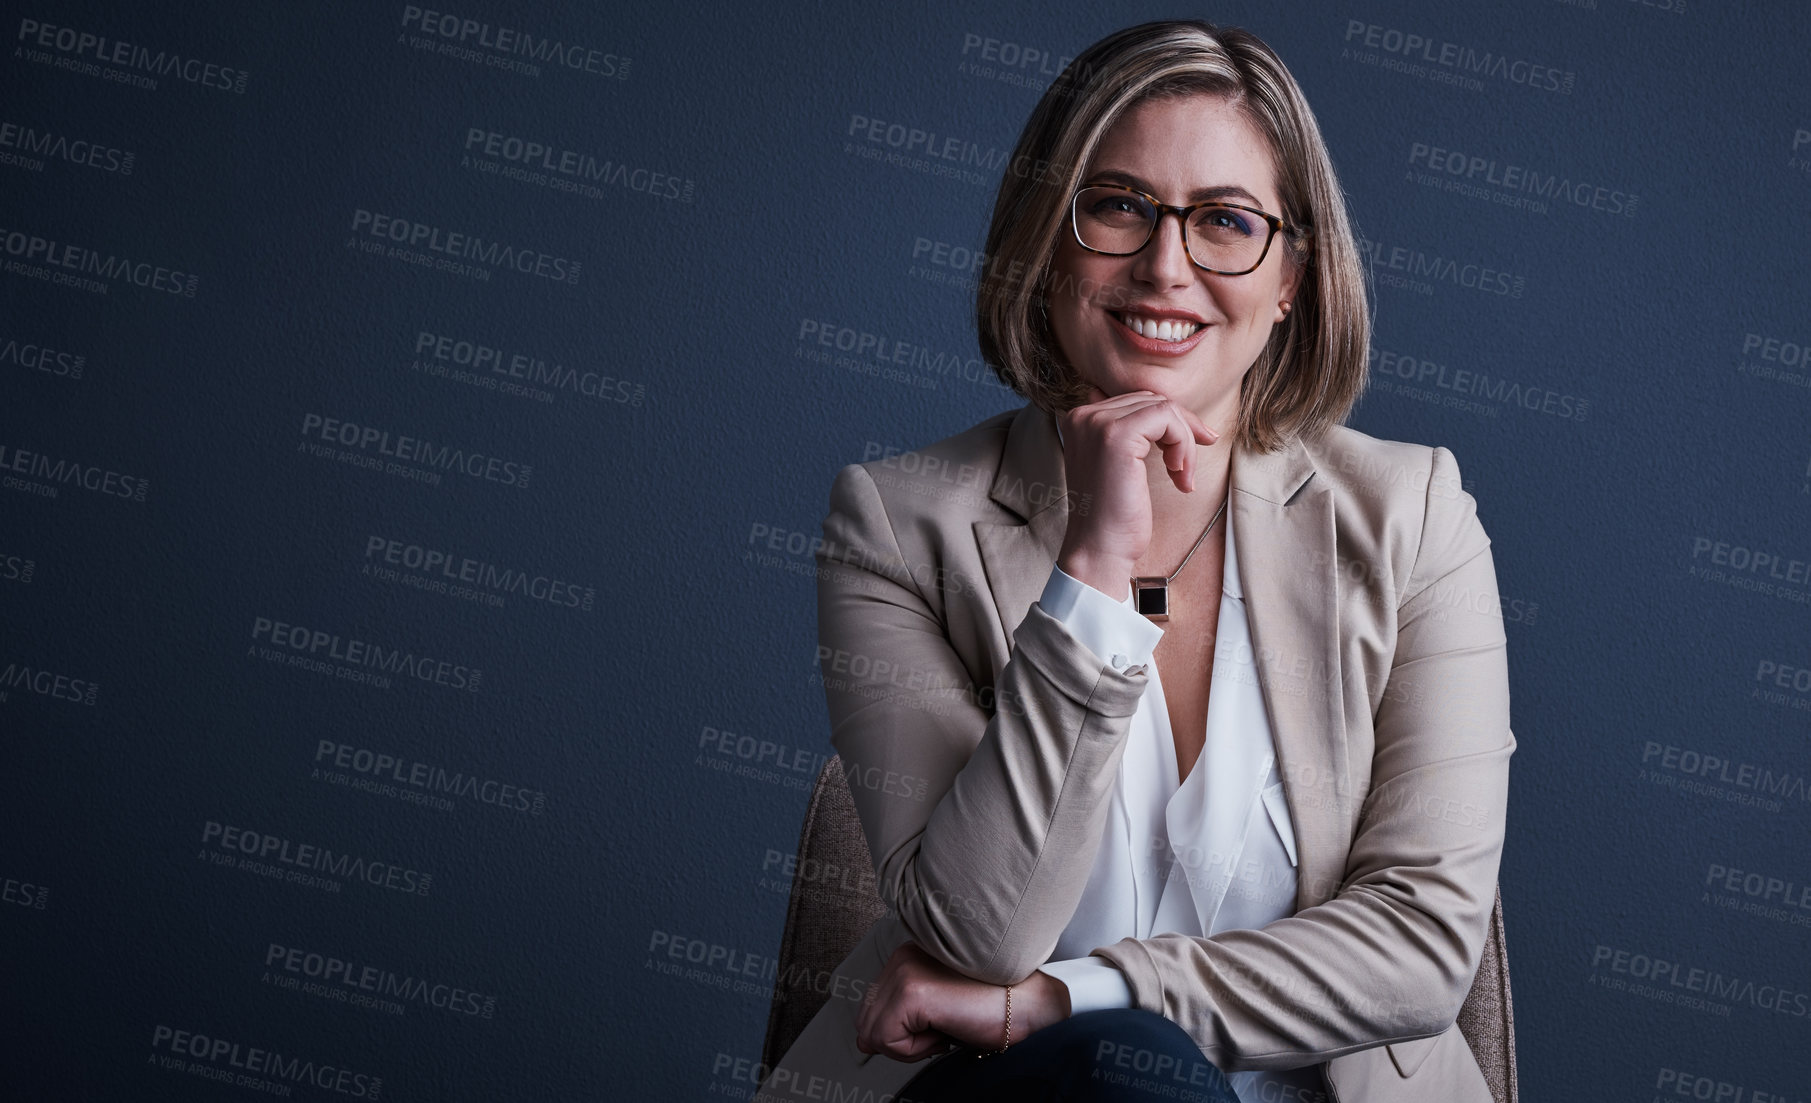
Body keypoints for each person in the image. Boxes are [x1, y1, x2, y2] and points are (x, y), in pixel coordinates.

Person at [756, 19, 1513, 1103]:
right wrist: (1094, 565)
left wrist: (1073, 994)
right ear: (1046, 242)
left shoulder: (1412, 518)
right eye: (1116, 206)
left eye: (1224, 221)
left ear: (1291, 275)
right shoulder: (894, 524)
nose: (1166, 265)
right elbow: (978, 928)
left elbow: (1424, 944)